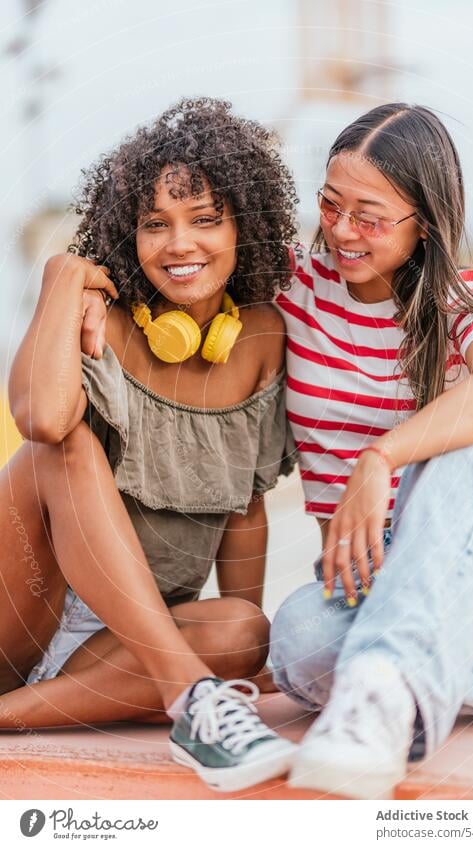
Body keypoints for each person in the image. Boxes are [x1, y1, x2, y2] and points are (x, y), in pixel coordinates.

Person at [1, 97, 299, 793]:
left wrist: (233, 664)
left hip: (126, 652)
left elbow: (246, 507)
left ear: (242, 225)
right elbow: (41, 419)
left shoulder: (260, 339)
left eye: (204, 219)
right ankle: (191, 699)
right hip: (20, 611)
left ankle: (185, 695)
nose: (179, 243)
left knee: (245, 629)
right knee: (66, 446)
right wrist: (63, 276)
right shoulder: (100, 326)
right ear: (126, 234)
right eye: (154, 224)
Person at [269, 102, 473, 798]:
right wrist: (73, 283)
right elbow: (186, 270)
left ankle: (383, 693)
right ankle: (440, 667)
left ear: (426, 222)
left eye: (371, 216)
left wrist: (380, 456)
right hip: (371, 590)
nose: (342, 230)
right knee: (296, 639)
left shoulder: (468, 294)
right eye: (330, 204)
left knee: (446, 458)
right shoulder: (296, 286)